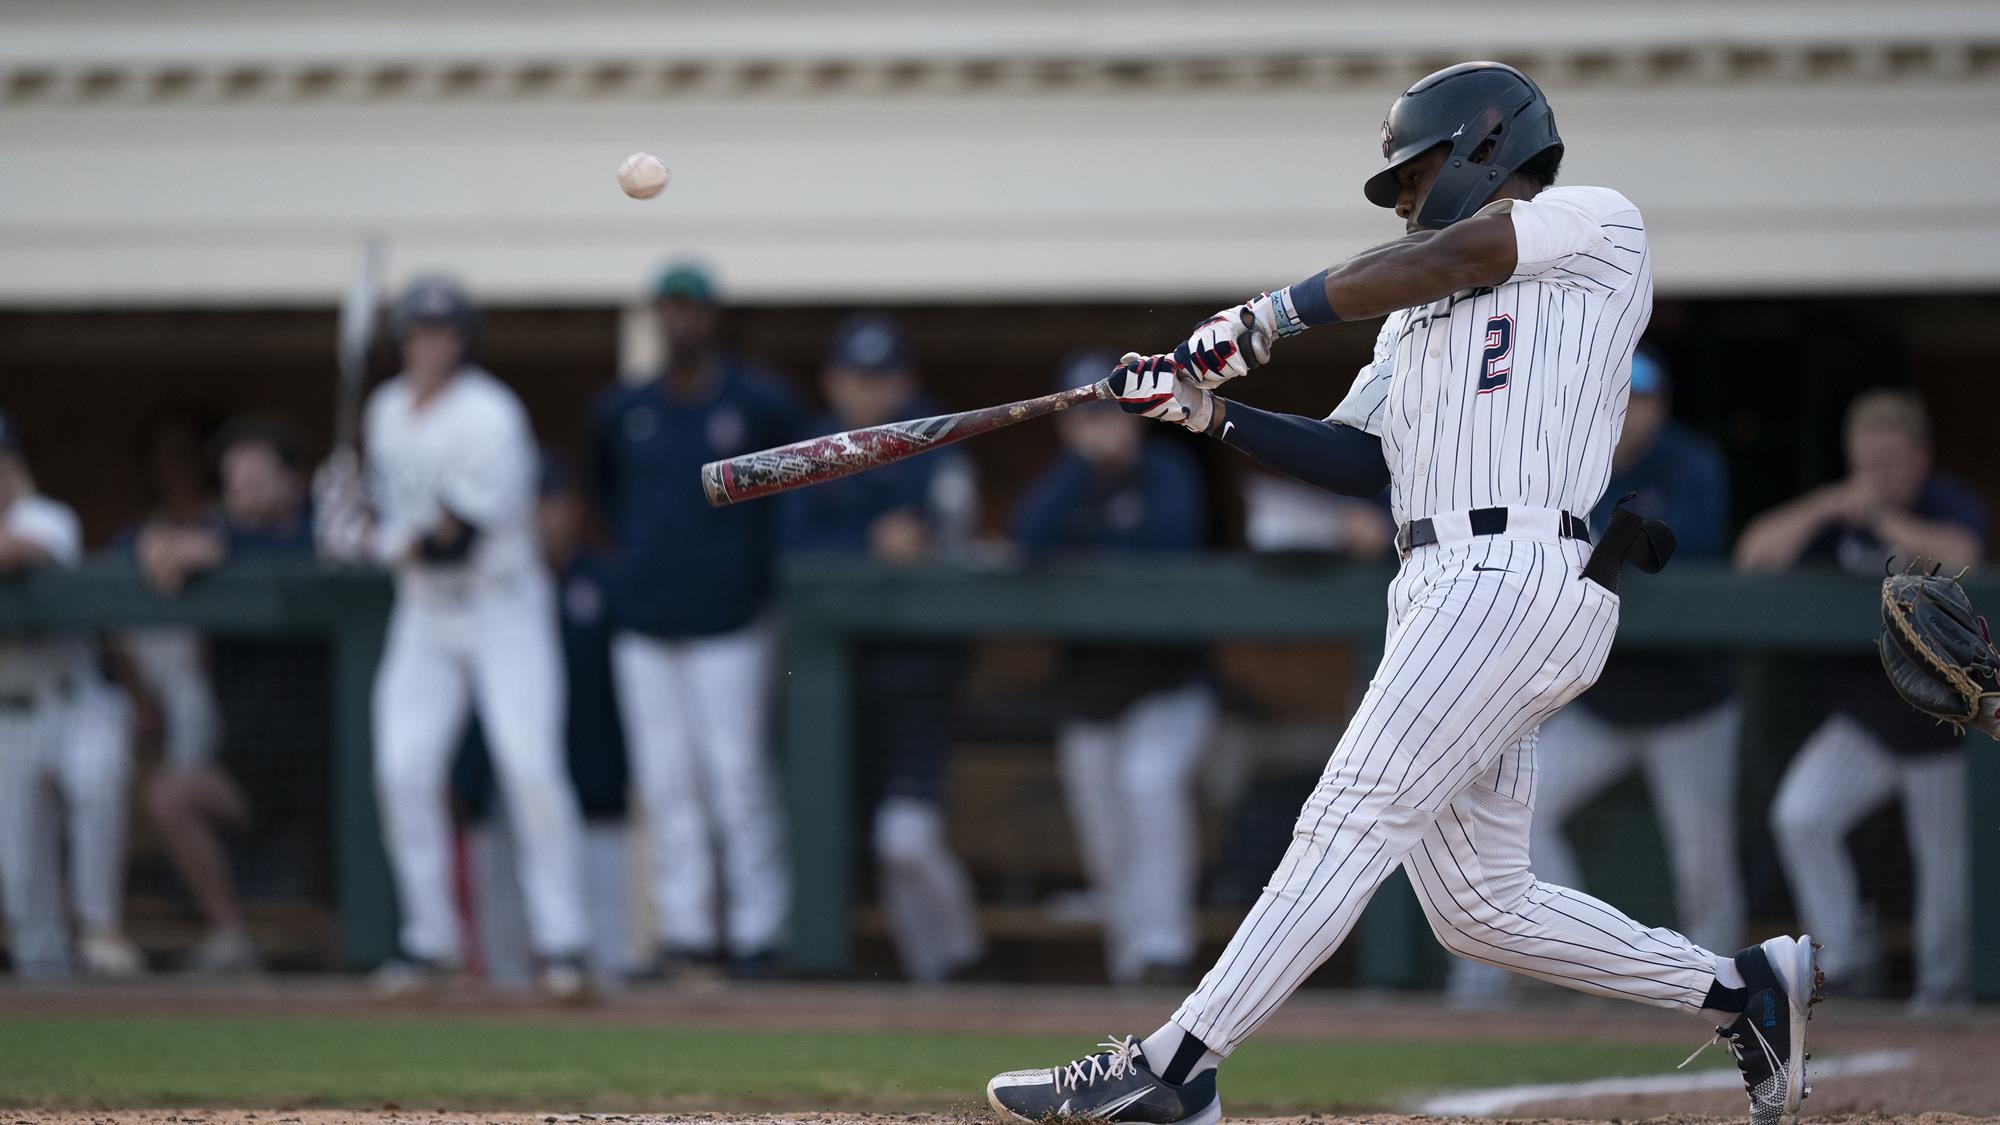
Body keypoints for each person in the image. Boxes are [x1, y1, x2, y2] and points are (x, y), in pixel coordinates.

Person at [985, 62, 1816, 1125]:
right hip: (1434, 586)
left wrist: (1263, 317)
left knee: (1346, 814)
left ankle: (1178, 1062)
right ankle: (1740, 991)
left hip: (1513, 570)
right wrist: (1203, 414)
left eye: (1415, 177)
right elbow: (1351, 458)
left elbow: (1463, 249)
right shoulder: (1410, 322)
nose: (1407, 201)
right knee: (1479, 906)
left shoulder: (1590, 223)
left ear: (1485, 146)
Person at [315, 275, 592, 1001]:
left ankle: (562, 943)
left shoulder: (491, 416)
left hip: (502, 605)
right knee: (403, 768)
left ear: (463, 340)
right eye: (417, 331)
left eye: (442, 331)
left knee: (527, 764)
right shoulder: (382, 412)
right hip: (425, 616)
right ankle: (430, 941)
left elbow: (451, 539)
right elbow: (385, 512)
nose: (429, 343)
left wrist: (368, 541)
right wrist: (345, 509)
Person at [1445, 348, 1742, 1006]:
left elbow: (1677, 545)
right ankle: (1572, 954)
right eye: (1622, 397)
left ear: (1661, 405)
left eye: (1644, 400)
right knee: (1523, 816)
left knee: (1703, 860)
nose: (1632, 412)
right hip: (1602, 701)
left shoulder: (1691, 463)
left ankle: (1728, 992)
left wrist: (1595, 546)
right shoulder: (1572, 461)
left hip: (1689, 700)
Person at [1738, 388, 1980, 1010]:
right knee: (1802, 814)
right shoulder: (1840, 510)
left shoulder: (1942, 502)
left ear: (1920, 457)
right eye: (1867, 462)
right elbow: (1754, 556)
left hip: (1945, 726)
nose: (1878, 476)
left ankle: (1942, 989)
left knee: (1944, 867)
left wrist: (1879, 517)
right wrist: (1827, 506)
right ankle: (1841, 960)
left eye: (1892, 462)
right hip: (1866, 721)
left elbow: (1964, 557)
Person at [591, 262, 801, 976]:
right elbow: (605, 497)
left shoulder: (759, 401)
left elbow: (788, 501)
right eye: (670, 308)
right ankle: (684, 933)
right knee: (666, 781)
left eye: (694, 308)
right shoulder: (625, 408)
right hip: (646, 619)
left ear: (716, 317)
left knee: (736, 775)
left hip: (733, 618)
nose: (682, 320)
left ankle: (757, 933)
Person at [778, 312, 984, 982]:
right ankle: (931, 979)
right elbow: (790, 549)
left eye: (882, 378)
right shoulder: (810, 448)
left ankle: (961, 959)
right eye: (857, 378)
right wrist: (868, 545)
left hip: (921, 669)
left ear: (906, 380)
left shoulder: (938, 442)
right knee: (856, 840)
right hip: (832, 678)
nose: (868, 392)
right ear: (834, 381)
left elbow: (958, 539)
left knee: (905, 839)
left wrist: (922, 549)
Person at [1013, 349, 1215, 986]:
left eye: (1111, 414)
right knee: (1102, 820)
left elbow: (1169, 544)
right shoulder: (1062, 485)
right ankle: (1130, 960)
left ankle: (1164, 949)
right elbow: (1029, 541)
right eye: (1085, 418)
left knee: (1148, 785)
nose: (1101, 428)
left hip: (1169, 683)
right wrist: (1081, 464)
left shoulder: (1169, 471)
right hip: (1091, 690)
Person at [134, 417, 323, 974]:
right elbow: (144, 550)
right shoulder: (217, 536)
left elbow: (311, 550)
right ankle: (230, 933)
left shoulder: (321, 536)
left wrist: (218, 548)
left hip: (330, 770)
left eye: (258, 479)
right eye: (234, 481)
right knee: (171, 795)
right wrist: (163, 545)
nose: (244, 492)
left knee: (334, 929)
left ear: (293, 482)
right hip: (247, 765)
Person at [454, 457, 636, 989]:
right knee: (504, 945)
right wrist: (465, 777)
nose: (543, 517)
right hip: (503, 778)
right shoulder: (482, 585)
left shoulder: (603, 581)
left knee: (603, 943)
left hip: (593, 772)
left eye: (552, 503)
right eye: (532, 505)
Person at [0, 409, 141, 979]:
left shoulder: (46, 516)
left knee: (96, 786)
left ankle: (101, 931)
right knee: (19, 868)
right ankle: (46, 972)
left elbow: (16, 551)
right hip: (9, 713)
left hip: (77, 699)